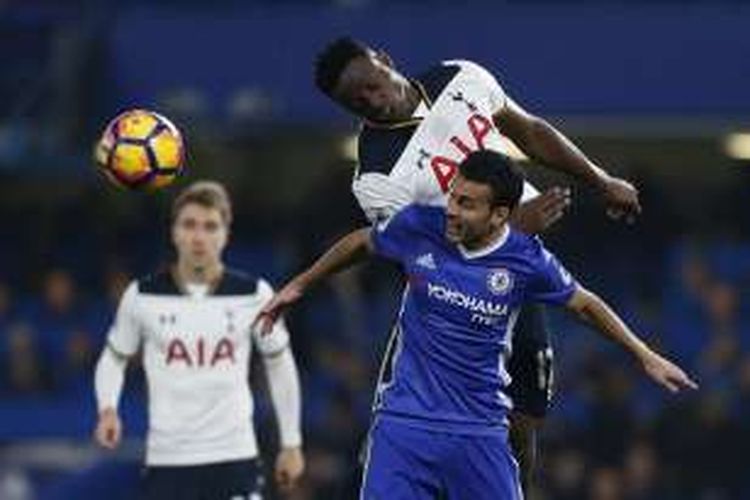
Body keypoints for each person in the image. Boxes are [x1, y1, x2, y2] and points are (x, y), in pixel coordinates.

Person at [256, 150, 696, 500]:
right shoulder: (419, 226)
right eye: (452, 196)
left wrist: (643, 354)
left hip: (479, 430)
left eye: (466, 204)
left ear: (500, 215)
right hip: (404, 425)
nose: (451, 210)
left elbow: (584, 304)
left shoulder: (527, 261)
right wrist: (300, 283)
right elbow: (362, 242)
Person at [314, 36, 642, 490]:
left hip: (518, 280)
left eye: (373, 84)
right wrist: (511, 232)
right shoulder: (375, 177)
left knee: (523, 425)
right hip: (448, 309)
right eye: (357, 101)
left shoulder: (461, 76)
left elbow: (526, 129)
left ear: (385, 61)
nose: (374, 101)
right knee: (422, 436)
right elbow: (429, 261)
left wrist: (599, 179)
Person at [93, 181, 304, 499]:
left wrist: (291, 442)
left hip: (235, 456)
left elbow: (280, 362)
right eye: (189, 225)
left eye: (210, 226)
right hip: (168, 461)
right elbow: (114, 356)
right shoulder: (141, 296)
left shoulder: (255, 295)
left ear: (226, 234)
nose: (199, 236)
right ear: (174, 232)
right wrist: (108, 409)